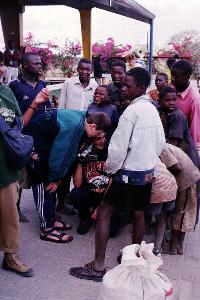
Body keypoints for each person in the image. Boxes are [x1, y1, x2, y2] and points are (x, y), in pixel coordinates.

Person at [69, 67, 166, 282]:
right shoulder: (151, 110)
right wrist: (147, 162)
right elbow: (160, 142)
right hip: (146, 173)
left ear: (141, 87)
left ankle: (98, 267)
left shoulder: (131, 112)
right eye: (123, 85)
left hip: (126, 172)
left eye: (128, 85)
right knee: (139, 214)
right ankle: (134, 265)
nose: (123, 88)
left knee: (103, 213)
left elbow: (117, 149)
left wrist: (113, 170)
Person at [24, 110, 111, 243]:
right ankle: (46, 229)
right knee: (43, 182)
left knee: (51, 184)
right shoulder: (75, 127)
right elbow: (62, 155)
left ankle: (50, 219)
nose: (96, 138)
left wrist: (56, 179)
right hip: (35, 144)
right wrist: (56, 178)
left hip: (46, 144)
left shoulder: (82, 119)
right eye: (98, 134)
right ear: (93, 127)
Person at [0, 83, 49, 277]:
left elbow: (18, 125)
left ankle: (10, 256)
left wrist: (34, 104)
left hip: (6, 169)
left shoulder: (6, 92)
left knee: (10, 217)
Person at [9, 52, 52, 222]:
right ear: (25, 65)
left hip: (40, 137)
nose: (40, 66)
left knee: (39, 175)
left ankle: (44, 208)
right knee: (20, 176)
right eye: (36, 64)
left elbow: (47, 109)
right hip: (21, 137)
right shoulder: (15, 85)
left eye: (40, 63)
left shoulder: (42, 84)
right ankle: (15, 209)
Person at [71, 132, 120, 236]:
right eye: (98, 139)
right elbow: (77, 185)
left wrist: (99, 208)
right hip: (89, 193)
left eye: (104, 137)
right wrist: (80, 162)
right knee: (76, 194)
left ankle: (102, 214)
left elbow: (113, 184)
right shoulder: (84, 153)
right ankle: (85, 217)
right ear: (90, 141)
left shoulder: (110, 152)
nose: (103, 141)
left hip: (106, 195)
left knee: (112, 232)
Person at [160, 143, 200, 255]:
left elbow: (177, 167)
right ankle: (178, 245)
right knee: (185, 214)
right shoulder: (166, 146)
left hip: (187, 182)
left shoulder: (163, 148)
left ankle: (174, 246)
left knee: (179, 214)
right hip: (192, 178)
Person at [158, 86, 200, 168]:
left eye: (174, 100)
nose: (171, 103)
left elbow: (173, 143)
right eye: (167, 100)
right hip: (177, 155)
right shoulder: (160, 111)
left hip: (187, 158)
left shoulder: (177, 116)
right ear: (159, 101)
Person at [150, 159, 178, 256]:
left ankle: (141, 248)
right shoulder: (156, 155)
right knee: (162, 216)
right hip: (171, 185)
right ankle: (157, 248)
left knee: (142, 214)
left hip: (158, 186)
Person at [171, 60, 200, 148]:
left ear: (186, 77)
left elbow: (194, 130)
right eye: (172, 75)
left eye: (176, 76)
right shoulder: (172, 88)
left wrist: (191, 151)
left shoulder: (194, 99)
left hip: (181, 144)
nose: (172, 79)